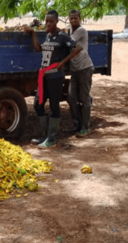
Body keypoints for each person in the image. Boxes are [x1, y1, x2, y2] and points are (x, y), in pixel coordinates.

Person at [23, 10, 83, 149]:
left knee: (54, 106)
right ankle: (45, 135)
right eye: (46, 21)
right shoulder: (47, 36)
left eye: (51, 21)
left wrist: (63, 62)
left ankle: (52, 138)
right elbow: (38, 49)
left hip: (55, 76)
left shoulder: (62, 36)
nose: (48, 23)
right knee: (38, 104)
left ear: (56, 22)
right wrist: (32, 34)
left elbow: (78, 47)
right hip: (43, 76)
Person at [66, 10, 94, 137]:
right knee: (71, 97)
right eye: (71, 18)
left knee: (84, 97)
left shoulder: (81, 31)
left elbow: (69, 42)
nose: (73, 21)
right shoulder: (69, 30)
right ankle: (77, 123)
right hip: (74, 69)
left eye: (75, 18)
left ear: (80, 18)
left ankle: (86, 127)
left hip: (84, 68)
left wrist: (61, 34)